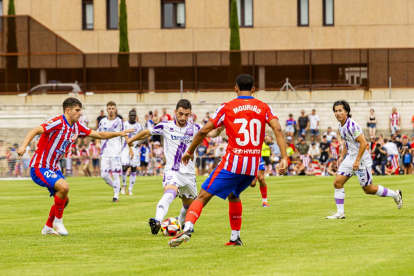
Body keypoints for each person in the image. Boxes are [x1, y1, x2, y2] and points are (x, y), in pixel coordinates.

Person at [169, 74, 288, 248]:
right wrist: (284, 158)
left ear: (235, 88)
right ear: (253, 89)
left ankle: (187, 228)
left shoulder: (227, 107)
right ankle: (235, 238)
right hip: (253, 165)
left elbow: (203, 132)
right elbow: (277, 127)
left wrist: (189, 151)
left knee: (202, 196)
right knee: (233, 195)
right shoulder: (264, 107)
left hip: (233, 162)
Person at [16, 97, 131, 236]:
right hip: (40, 166)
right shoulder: (57, 122)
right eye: (77, 110)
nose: (80, 113)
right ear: (68, 110)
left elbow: (99, 134)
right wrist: (23, 146)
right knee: (64, 187)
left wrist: (118, 134)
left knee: (65, 200)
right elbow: (34, 130)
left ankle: (47, 227)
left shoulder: (76, 127)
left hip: (53, 167)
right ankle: (58, 222)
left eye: (80, 110)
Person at [127, 99, 223, 235]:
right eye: (181, 114)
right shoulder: (165, 126)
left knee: (189, 205)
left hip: (189, 174)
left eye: (186, 115)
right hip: (173, 170)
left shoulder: (195, 128)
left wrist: (219, 130)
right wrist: (131, 140)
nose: (183, 117)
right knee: (170, 192)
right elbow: (147, 132)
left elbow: (211, 134)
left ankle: (181, 222)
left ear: (190, 114)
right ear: (175, 112)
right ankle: (157, 221)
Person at [326, 100, 403, 220]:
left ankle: (395, 194)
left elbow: (363, 143)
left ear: (346, 112)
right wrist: (341, 156)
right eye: (335, 111)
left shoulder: (352, 125)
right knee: (337, 183)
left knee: (369, 189)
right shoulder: (340, 126)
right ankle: (340, 213)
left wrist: (357, 160)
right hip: (350, 158)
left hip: (361, 159)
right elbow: (347, 142)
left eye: (340, 110)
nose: (337, 113)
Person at [98, 101, 125, 202]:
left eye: (113, 108)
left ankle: (116, 196)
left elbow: (124, 135)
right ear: (106, 110)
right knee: (104, 175)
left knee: (115, 174)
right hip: (105, 152)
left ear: (115, 109)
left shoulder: (119, 122)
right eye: (109, 108)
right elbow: (98, 133)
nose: (111, 110)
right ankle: (117, 187)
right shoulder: (102, 121)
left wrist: (125, 149)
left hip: (115, 152)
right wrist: (97, 142)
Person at [121, 110, 144, 195]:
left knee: (133, 168)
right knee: (124, 166)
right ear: (129, 116)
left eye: (134, 115)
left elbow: (145, 135)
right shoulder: (124, 124)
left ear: (136, 116)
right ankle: (124, 185)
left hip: (135, 149)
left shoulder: (139, 126)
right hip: (125, 148)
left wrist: (140, 143)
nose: (133, 117)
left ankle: (130, 190)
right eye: (131, 115)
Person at [250, 135, 273, 207]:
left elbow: (266, 142)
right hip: (248, 157)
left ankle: (265, 201)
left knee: (261, 178)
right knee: (252, 184)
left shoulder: (258, 129)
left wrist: (268, 141)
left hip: (258, 157)